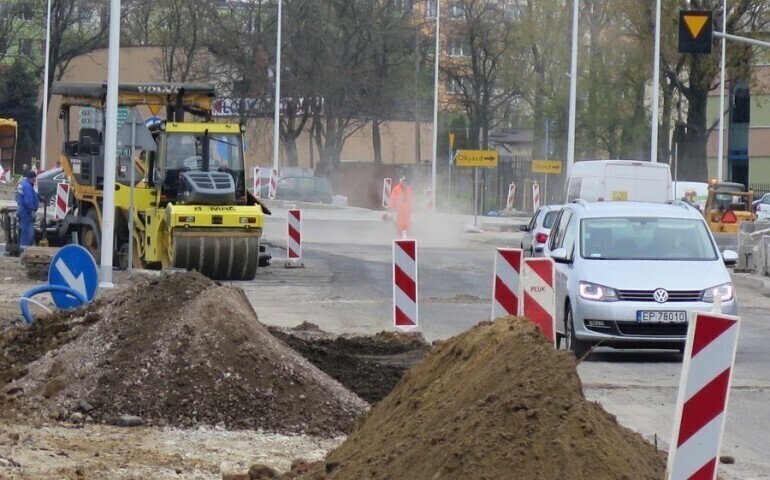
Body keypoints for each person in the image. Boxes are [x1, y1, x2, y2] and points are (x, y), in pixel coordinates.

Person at [16, 169, 39, 248]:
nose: (35, 180)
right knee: (27, 232)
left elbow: (33, 193)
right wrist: (32, 211)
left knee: (29, 232)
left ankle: (31, 249)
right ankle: (24, 252)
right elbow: (28, 200)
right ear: (32, 178)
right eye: (35, 178)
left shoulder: (25, 184)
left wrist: (39, 197)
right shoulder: (27, 186)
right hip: (26, 212)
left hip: (23, 210)